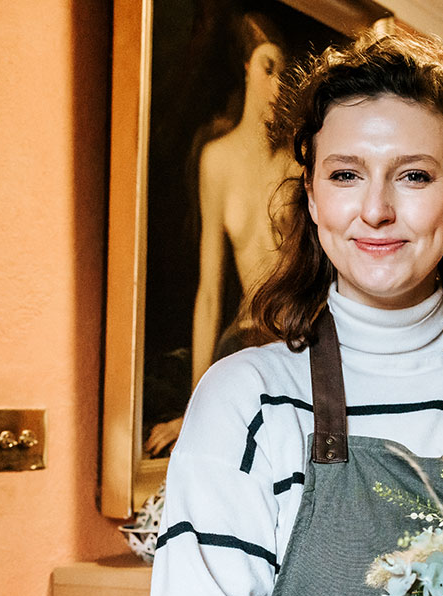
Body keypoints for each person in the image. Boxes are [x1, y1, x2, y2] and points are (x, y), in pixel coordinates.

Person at [146, 30, 443, 596]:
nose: (376, 210)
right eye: (346, 174)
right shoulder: (250, 400)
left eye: (413, 175)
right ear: (312, 195)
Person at [145, 13, 295, 457]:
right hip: (245, 341)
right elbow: (209, 292)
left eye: (284, 75)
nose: (277, 85)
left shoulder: (298, 163)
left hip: (300, 340)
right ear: (246, 67)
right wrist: (195, 406)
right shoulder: (217, 159)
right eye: (268, 68)